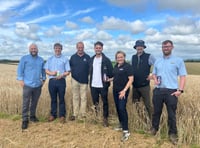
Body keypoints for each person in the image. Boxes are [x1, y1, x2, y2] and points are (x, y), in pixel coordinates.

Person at [150, 40, 187, 145]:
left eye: (167, 46)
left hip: (171, 91)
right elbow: (154, 74)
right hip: (158, 90)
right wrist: (155, 78)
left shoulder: (178, 60)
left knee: (171, 114)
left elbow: (183, 76)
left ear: (172, 47)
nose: (165, 48)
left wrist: (180, 90)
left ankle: (172, 134)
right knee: (156, 112)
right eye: (163, 46)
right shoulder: (158, 61)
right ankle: (154, 129)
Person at [17, 43, 46, 130]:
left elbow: (43, 71)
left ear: (37, 50)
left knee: (34, 102)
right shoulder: (24, 58)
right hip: (27, 85)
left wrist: (43, 80)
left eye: (35, 49)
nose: (33, 50)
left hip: (37, 85)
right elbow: (20, 70)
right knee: (26, 102)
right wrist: (21, 81)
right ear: (29, 50)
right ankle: (25, 120)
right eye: (32, 49)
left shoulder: (41, 60)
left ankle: (32, 117)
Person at [44, 43, 70, 123]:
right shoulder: (50, 59)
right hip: (52, 81)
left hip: (61, 81)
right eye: (56, 48)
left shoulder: (65, 59)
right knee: (53, 99)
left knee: (61, 99)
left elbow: (68, 71)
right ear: (54, 49)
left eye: (59, 48)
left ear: (61, 49)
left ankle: (62, 116)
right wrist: (52, 73)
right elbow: (46, 70)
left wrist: (62, 75)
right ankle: (53, 115)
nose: (57, 50)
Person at [89, 41, 113, 127]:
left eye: (99, 48)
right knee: (95, 102)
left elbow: (111, 72)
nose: (98, 49)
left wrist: (108, 79)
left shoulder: (106, 60)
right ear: (94, 49)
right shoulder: (91, 59)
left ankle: (105, 118)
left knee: (105, 102)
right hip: (93, 85)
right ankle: (96, 117)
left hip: (103, 85)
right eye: (96, 48)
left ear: (102, 49)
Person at [111, 51, 134, 141]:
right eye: (118, 57)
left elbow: (131, 79)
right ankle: (121, 124)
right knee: (117, 107)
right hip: (115, 90)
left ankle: (126, 130)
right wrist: (109, 79)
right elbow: (116, 76)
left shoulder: (128, 67)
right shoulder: (116, 66)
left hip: (123, 91)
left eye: (121, 57)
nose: (119, 59)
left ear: (124, 57)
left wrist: (124, 91)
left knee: (122, 108)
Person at [131, 40, 156, 120]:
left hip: (144, 86)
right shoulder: (133, 57)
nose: (139, 48)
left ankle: (151, 121)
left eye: (141, 46)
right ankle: (139, 120)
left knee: (148, 105)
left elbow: (158, 65)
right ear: (136, 47)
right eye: (138, 46)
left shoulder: (149, 56)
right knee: (135, 104)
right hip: (135, 86)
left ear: (143, 47)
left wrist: (153, 75)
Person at [69, 41, 90, 120]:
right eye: (79, 47)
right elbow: (70, 67)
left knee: (84, 98)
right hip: (74, 80)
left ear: (83, 48)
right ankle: (75, 114)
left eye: (82, 47)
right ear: (76, 48)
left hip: (84, 81)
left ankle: (83, 114)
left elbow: (90, 69)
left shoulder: (87, 57)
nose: (80, 49)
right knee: (75, 97)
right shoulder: (73, 57)